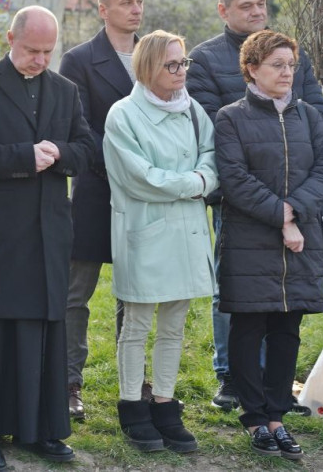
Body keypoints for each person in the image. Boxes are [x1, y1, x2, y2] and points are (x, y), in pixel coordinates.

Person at [0, 6, 94, 472]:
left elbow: (87, 150)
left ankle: (39, 428)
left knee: (40, 331)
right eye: (32, 50)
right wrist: (24, 157)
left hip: (48, 232)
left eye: (48, 52)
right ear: (11, 39)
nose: (40, 60)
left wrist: (59, 153)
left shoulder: (65, 91)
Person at [187, 0, 323, 410]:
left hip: (297, 193)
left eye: (262, 3)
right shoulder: (207, 59)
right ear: (224, 10)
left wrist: (294, 205)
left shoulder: (290, 55)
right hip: (245, 200)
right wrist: (274, 206)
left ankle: (275, 386)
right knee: (238, 292)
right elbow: (213, 130)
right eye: (246, 5)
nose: (256, 11)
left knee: (285, 298)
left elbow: (316, 114)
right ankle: (232, 377)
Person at [214, 30, 323, 460]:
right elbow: (234, 179)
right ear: (252, 69)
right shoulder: (231, 117)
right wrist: (281, 216)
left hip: (301, 239)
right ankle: (254, 418)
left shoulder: (309, 117)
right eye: (276, 65)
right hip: (251, 240)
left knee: (287, 330)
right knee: (249, 327)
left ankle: (277, 418)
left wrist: (292, 210)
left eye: (291, 65)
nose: (287, 73)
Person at [103, 30, 217, 453]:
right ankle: (132, 406)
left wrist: (199, 179)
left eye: (183, 63)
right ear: (148, 67)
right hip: (146, 231)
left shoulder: (193, 111)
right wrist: (194, 183)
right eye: (172, 65)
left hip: (186, 233)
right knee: (135, 326)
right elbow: (140, 178)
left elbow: (212, 157)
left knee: (173, 327)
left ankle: (166, 405)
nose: (181, 72)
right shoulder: (123, 115)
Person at [58, 0, 142, 420]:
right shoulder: (79, 60)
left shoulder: (157, 55)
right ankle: (70, 381)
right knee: (77, 293)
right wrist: (125, 164)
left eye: (139, 0)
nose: (136, 8)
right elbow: (79, 128)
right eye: (126, 2)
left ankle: (135, 383)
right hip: (95, 190)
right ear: (103, 9)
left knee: (139, 293)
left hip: (147, 198)